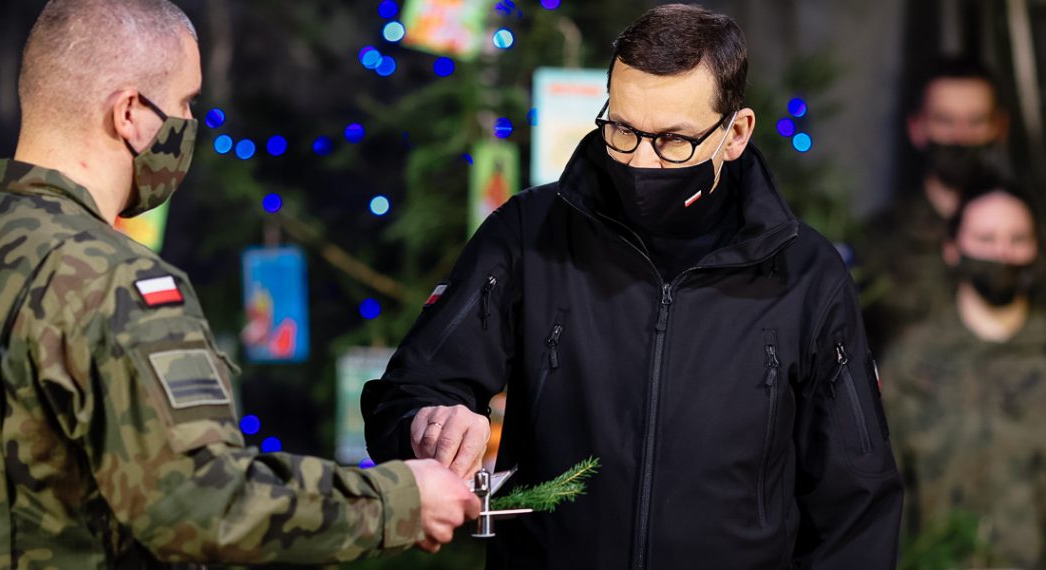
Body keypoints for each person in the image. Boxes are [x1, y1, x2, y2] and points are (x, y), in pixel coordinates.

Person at [362, 5, 902, 569]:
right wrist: (428, 425)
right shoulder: (526, 235)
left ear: (736, 134)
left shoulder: (807, 275)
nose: (640, 162)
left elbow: (857, 503)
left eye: (672, 140)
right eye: (621, 130)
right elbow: (406, 393)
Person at [0, 1, 478, 567]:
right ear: (129, 114)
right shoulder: (117, 281)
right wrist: (400, 499)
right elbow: (200, 501)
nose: (190, 124)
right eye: (186, 102)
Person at [881, 179, 1046, 568]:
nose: (1001, 253)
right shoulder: (912, 364)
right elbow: (888, 501)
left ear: (1036, 250)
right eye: (986, 239)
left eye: (1017, 239)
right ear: (953, 249)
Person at [858, 56, 1046, 356]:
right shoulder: (875, 246)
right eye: (945, 121)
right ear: (917, 127)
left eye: (976, 121)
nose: (960, 137)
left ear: (1000, 127)